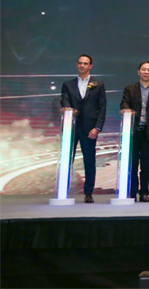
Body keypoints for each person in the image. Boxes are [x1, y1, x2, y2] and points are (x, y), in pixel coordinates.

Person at [60, 54, 106, 203]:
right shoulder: (68, 85)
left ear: (90, 66)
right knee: (67, 160)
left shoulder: (98, 85)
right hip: (71, 128)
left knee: (89, 162)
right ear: (76, 65)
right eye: (80, 63)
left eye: (85, 63)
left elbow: (102, 108)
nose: (82, 65)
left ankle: (88, 193)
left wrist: (97, 128)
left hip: (89, 129)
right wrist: (67, 109)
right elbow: (64, 100)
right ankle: (63, 191)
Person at [120, 61, 149, 202]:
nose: (146, 72)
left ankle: (144, 193)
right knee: (132, 164)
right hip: (133, 132)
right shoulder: (130, 89)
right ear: (138, 72)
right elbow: (124, 103)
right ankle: (131, 192)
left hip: (148, 133)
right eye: (143, 69)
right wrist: (127, 110)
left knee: (145, 165)